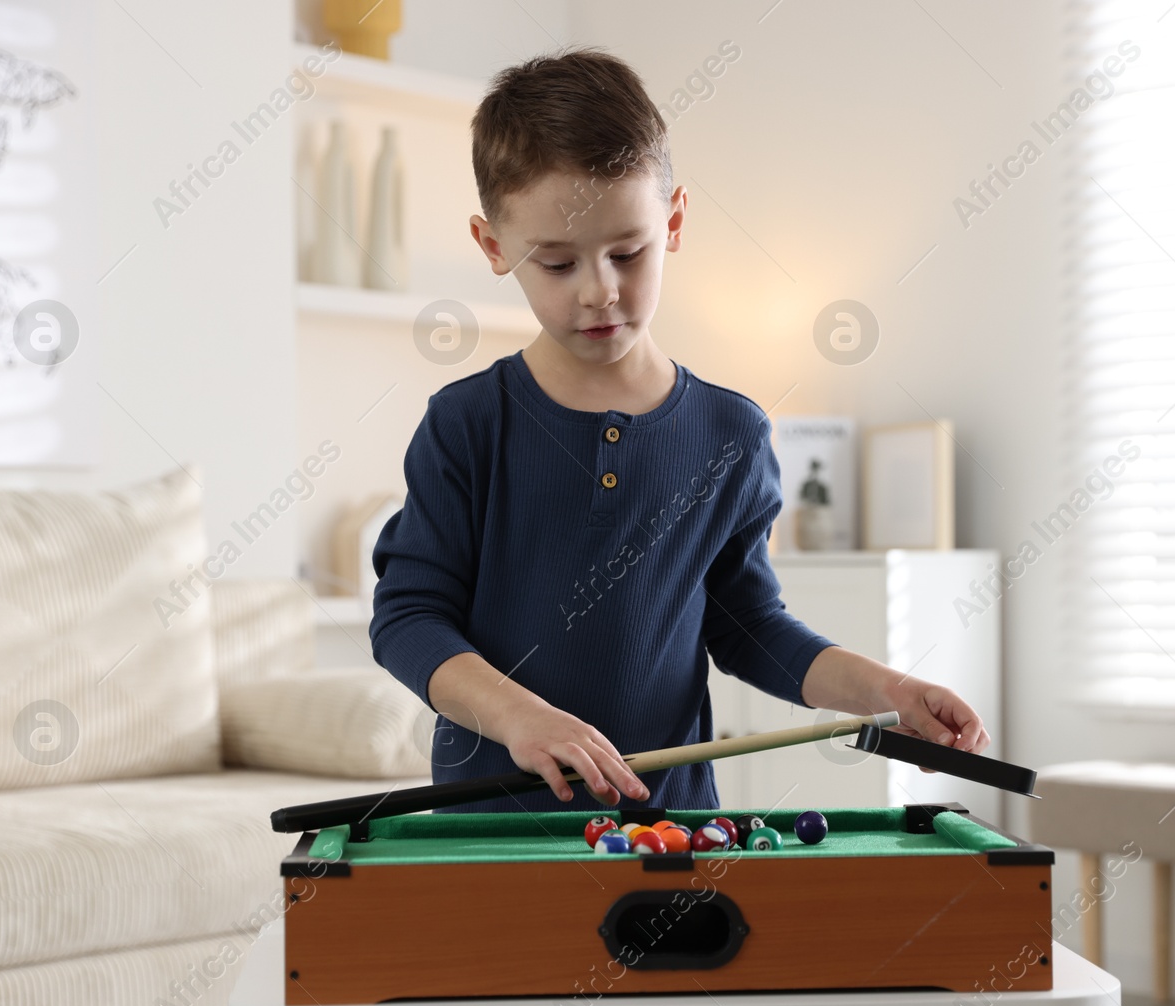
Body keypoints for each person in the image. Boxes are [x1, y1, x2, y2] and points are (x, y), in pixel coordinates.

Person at [370, 46, 989, 813]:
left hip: (668, 830)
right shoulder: (466, 424)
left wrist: (887, 690)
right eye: (557, 264)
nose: (601, 291)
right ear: (494, 247)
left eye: (628, 253)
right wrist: (514, 715)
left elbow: (749, 626)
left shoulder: (732, 431)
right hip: (489, 838)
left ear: (675, 221)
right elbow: (407, 619)